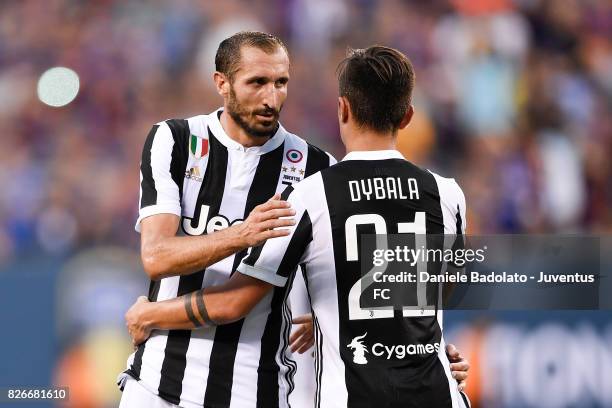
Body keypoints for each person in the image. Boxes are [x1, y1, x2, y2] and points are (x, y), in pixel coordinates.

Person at [122, 33, 469, 408]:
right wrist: (421, 354)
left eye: (281, 83)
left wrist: (329, 322)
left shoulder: (316, 173)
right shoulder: (173, 140)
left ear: (343, 110)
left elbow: (360, 293)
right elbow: (156, 256)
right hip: (157, 383)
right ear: (221, 83)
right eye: (257, 83)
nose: (272, 98)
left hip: (255, 391)